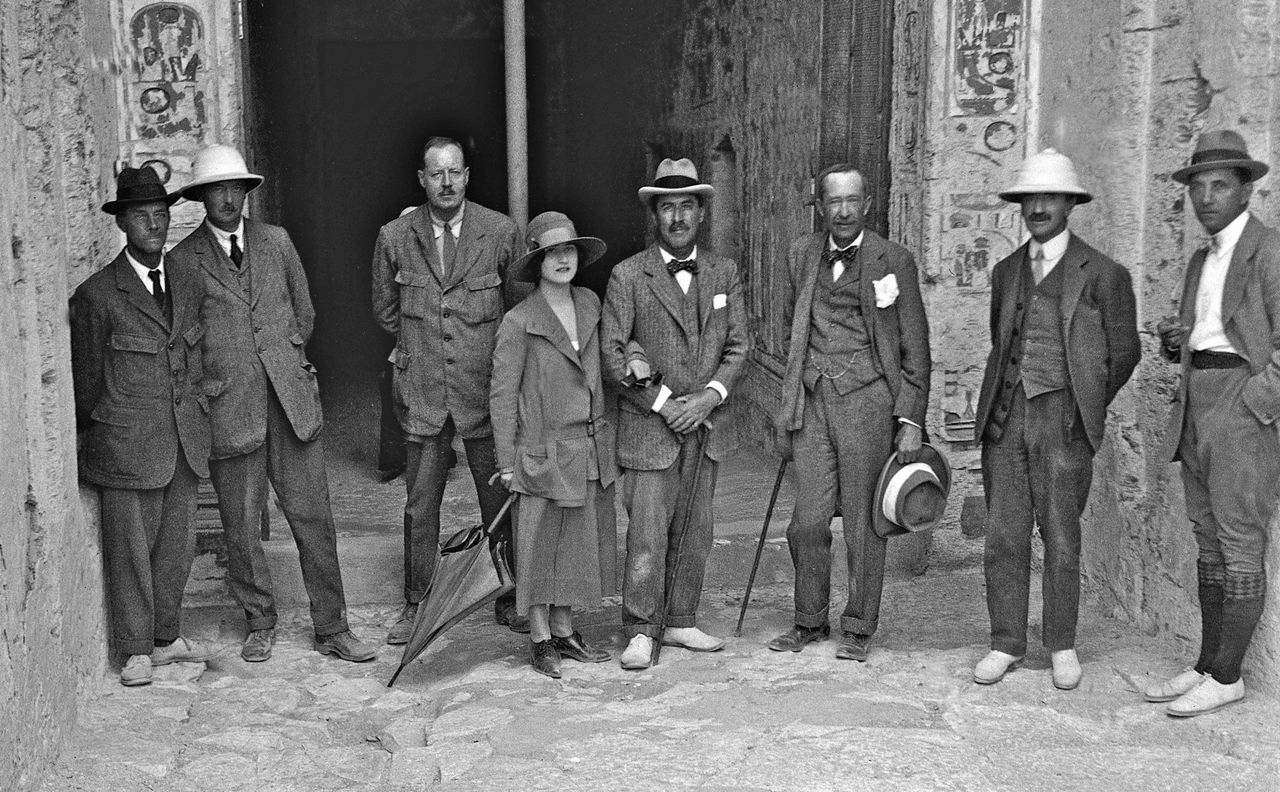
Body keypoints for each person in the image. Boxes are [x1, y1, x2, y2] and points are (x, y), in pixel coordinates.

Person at [170, 144, 375, 663]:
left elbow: (302, 314)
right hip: (230, 410)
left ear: (246, 192)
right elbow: (182, 343)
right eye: (216, 190)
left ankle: (333, 627)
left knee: (313, 519)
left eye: (235, 188)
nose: (227, 199)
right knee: (240, 526)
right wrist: (222, 381)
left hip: (290, 405)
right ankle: (259, 620)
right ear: (200, 198)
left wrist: (282, 365)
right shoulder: (183, 262)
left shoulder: (276, 242)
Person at [971, 149, 1139, 690]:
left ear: (1070, 203)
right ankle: (1005, 643)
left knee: (1062, 537)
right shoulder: (1005, 271)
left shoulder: (1105, 274)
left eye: (1050, 198)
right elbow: (1004, 344)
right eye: (1030, 199)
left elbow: (1125, 352)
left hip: (1063, 421)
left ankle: (1062, 645)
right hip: (1006, 420)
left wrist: (1082, 401)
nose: (1039, 207)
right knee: (1004, 536)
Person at [769, 163, 931, 662]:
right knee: (807, 521)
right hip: (814, 400)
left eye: (851, 201)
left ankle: (859, 625)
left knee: (864, 522)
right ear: (821, 205)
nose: (842, 210)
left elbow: (916, 348)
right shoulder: (800, 254)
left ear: (866, 204)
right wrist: (797, 384)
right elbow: (784, 324)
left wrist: (910, 419)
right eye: (832, 201)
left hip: (868, 402)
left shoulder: (893, 260)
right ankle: (810, 620)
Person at [371, 136, 529, 644]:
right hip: (423, 391)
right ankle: (417, 601)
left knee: (498, 497)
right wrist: (420, 349)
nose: (446, 183)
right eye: (436, 173)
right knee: (420, 504)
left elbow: (517, 308)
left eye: (454, 172)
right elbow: (385, 309)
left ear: (467, 176)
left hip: (484, 392)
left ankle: (508, 593)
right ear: (421, 178)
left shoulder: (500, 232)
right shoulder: (395, 236)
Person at [1149, 130, 1280, 717]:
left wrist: (1257, 405)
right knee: (1206, 538)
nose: (1206, 198)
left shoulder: (1270, 250)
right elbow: (1205, 332)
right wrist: (1176, 339)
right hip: (1195, 397)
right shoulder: (1200, 259)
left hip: (1240, 402)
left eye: (1220, 186)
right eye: (1197, 187)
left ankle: (1229, 676)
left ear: (1246, 191)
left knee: (1239, 539)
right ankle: (1206, 664)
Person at [602, 157, 750, 670]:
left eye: (687, 206)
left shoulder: (723, 272)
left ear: (701, 214)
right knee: (646, 533)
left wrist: (709, 397)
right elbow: (613, 354)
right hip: (651, 429)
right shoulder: (628, 276)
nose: (678, 217)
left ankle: (681, 618)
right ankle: (641, 628)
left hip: (706, 426)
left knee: (696, 528)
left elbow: (739, 347)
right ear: (655, 215)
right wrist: (667, 405)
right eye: (668, 208)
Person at [70, 166, 212, 686]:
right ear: (123, 225)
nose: (154, 225)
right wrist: (101, 437)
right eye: (142, 217)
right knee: (129, 550)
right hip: (126, 442)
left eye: (160, 215)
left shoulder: (188, 281)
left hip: (183, 437)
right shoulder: (98, 296)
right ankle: (135, 650)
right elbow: (85, 385)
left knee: (176, 543)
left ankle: (165, 636)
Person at [491, 212, 617, 678]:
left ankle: (565, 630)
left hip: (586, 447)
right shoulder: (519, 321)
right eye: (552, 253)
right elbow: (502, 396)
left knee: (578, 545)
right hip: (542, 451)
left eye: (569, 251)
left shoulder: (590, 303)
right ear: (537, 261)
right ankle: (541, 637)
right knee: (540, 545)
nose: (563, 259)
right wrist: (507, 462)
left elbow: (610, 357)